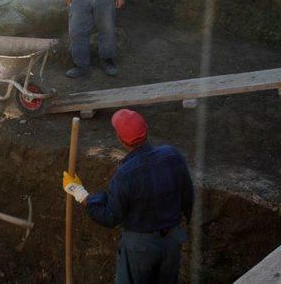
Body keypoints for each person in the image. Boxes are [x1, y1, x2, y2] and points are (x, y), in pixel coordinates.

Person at [63, 109, 194, 283]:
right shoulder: (173, 155)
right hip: (172, 240)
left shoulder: (125, 175)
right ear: (146, 130)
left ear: (121, 139)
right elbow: (188, 196)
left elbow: (111, 216)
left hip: (140, 248)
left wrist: (81, 194)